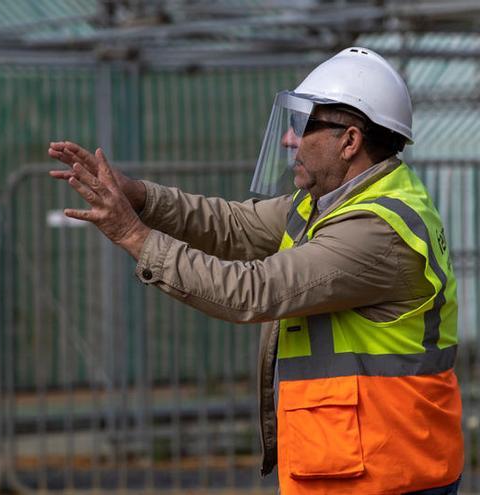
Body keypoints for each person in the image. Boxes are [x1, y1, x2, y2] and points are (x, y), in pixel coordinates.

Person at [49, 47, 462, 494]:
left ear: (350, 141)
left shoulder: (374, 230)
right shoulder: (334, 203)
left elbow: (253, 291)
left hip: (386, 474)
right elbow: (235, 225)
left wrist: (134, 236)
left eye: (303, 125)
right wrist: (141, 197)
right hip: (359, 464)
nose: (288, 140)